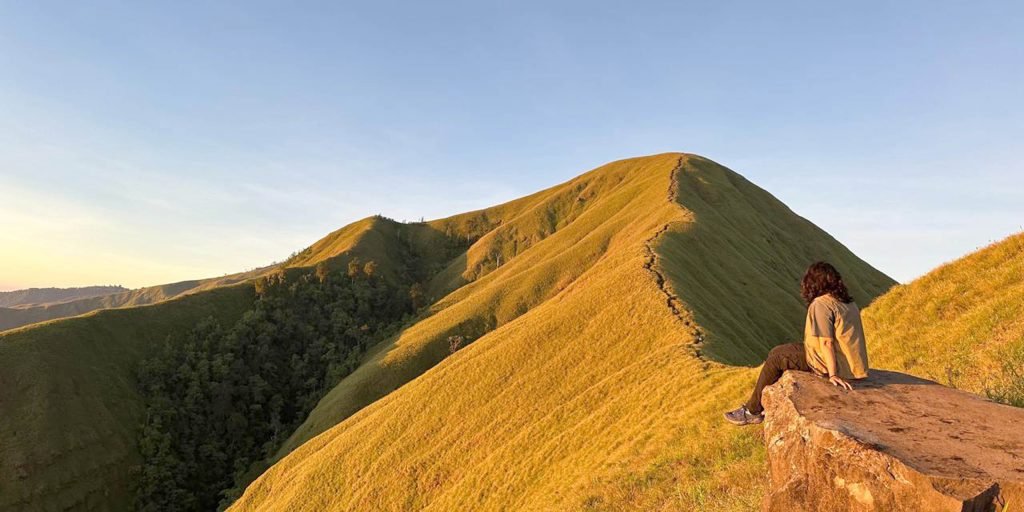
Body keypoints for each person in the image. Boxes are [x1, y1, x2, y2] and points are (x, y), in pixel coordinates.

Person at [724, 261, 870, 426]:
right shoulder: (847, 303)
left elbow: (827, 342)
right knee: (780, 351)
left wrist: (833, 375)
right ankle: (764, 403)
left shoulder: (822, 304)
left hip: (829, 363)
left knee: (777, 358)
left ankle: (752, 411)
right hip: (852, 364)